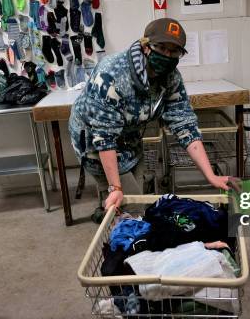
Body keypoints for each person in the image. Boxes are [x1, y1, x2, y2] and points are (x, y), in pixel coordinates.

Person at [69, 18, 231, 211]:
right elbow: (104, 138)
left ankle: (115, 214)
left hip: (130, 140)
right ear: (146, 46)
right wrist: (115, 187)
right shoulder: (112, 74)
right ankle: (116, 217)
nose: (168, 55)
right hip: (94, 144)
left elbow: (185, 124)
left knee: (137, 198)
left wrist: (210, 176)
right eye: (162, 48)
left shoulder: (170, 78)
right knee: (131, 207)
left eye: (174, 52)